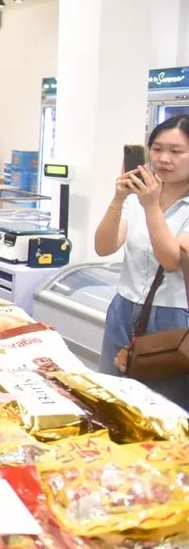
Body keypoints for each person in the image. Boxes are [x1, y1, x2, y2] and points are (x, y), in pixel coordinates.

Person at [94, 115, 189, 409]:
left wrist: (151, 207)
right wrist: (119, 198)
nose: (163, 159)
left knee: (163, 407)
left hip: (173, 320)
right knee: (114, 399)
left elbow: (172, 260)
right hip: (124, 308)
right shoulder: (139, 195)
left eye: (176, 151)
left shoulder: (148, 200)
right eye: (157, 149)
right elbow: (103, 246)